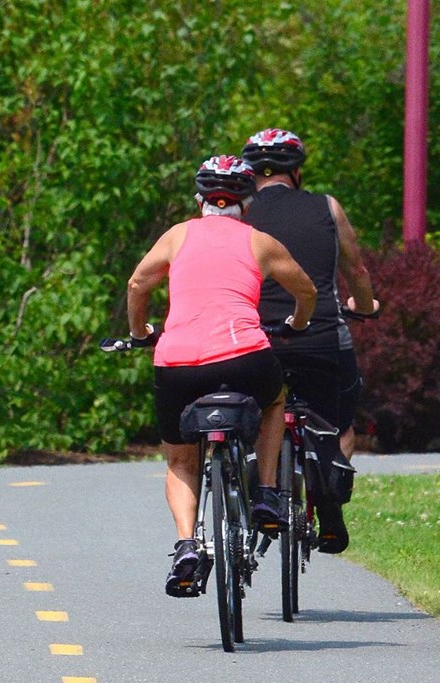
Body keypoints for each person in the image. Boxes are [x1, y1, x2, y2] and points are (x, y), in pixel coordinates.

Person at [126, 156, 317, 597]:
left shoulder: (177, 236)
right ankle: (266, 491)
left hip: (178, 364)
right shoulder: (260, 242)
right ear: (247, 204)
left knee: (180, 462)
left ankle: (186, 543)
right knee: (275, 401)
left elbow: (137, 284)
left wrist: (139, 333)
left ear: (200, 202)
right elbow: (306, 290)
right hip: (244, 358)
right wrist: (298, 323)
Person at [241, 128, 380, 553]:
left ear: (251, 173)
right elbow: (356, 270)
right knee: (340, 420)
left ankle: (254, 476)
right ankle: (330, 505)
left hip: (256, 337)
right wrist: (366, 306)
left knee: (253, 407)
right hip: (320, 335)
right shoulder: (327, 207)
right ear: (297, 171)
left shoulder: (239, 215)